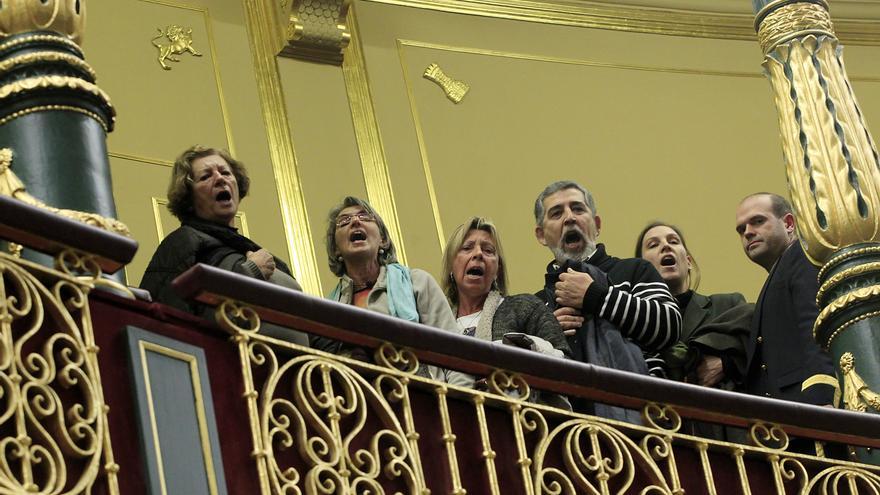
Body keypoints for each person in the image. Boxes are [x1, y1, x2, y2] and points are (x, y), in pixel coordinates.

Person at [140, 146, 305, 345]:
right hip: (236, 368)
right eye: (205, 177)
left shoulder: (255, 252)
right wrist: (251, 273)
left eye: (226, 172)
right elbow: (166, 320)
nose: (220, 179)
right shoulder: (183, 242)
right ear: (189, 197)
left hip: (295, 371)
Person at [312, 196, 472, 387]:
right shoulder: (329, 309)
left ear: (383, 240)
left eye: (365, 216)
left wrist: (457, 407)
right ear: (336, 249)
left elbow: (455, 355)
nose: (355, 221)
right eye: (344, 221)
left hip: (422, 400)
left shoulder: (417, 283)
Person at [534, 181, 681, 377]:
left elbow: (669, 327)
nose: (570, 218)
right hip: (564, 405)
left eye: (578, 209)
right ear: (541, 235)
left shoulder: (634, 270)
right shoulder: (536, 303)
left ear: (597, 225)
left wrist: (595, 296)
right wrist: (547, 333)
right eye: (556, 213)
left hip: (637, 399)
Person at [733, 193, 834, 405]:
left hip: (809, 406)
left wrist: (823, 395)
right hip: (785, 416)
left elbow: (815, 327)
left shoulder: (801, 255)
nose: (748, 233)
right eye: (741, 229)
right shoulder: (780, 270)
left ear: (788, 223)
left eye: (758, 221)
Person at [635, 221, 752, 386]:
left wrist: (729, 362)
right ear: (640, 268)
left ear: (688, 262)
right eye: (653, 245)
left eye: (674, 241)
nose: (666, 246)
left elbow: (761, 346)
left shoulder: (728, 304)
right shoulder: (633, 324)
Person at [442, 216, 570, 357]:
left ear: (498, 270)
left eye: (488, 250)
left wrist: (527, 347)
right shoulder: (435, 323)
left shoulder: (526, 308)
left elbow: (567, 363)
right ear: (451, 268)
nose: (478, 253)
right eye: (467, 248)